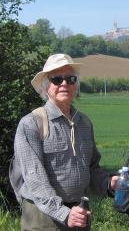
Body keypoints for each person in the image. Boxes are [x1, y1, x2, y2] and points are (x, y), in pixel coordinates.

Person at [11, 54, 118, 230]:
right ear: (46, 86)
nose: (64, 84)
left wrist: (109, 183)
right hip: (42, 217)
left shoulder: (84, 123)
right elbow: (34, 178)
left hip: (79, 212)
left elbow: (92, 168)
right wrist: (63, 213)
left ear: (76, 85)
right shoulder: (31, 124)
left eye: (70, 78)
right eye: (57, 79)